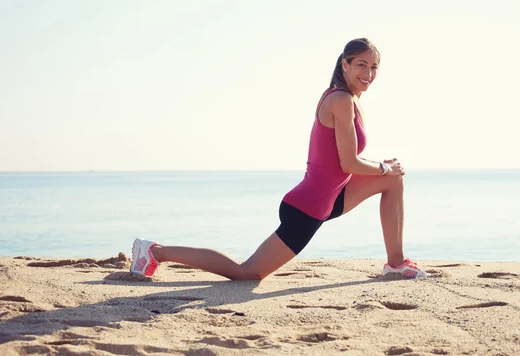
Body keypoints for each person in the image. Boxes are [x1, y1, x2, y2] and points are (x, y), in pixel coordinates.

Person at [130, 38, 429, 280]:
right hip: (307, 208)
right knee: (246, 272)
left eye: (374, 66)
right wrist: (383, 166)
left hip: (332, 198)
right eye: (362, 64)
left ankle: (395, 263)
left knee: (393, 180)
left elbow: (340, 164)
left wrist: (386, 171)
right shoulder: (340, 100)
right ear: (345, 65)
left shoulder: (348, 99)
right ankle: (155, 252)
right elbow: (348, 163)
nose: (369, 72)